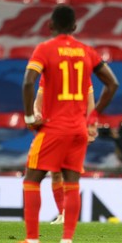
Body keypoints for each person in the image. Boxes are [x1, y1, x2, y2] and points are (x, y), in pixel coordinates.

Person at [2, 4, 118, 243]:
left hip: (55, 127)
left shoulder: (45, 49)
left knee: (32, 179)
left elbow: (28, 82)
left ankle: (32, 241)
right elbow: (112, 84)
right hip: (78, 129)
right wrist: (94, 115)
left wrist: (30, 116)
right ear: (75, 27)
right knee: (72, 182)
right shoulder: (87, 52)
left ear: (51, 26)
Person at [33, 78, 96, 225]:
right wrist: (36, 113)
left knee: (70, 173)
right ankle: (62, 213)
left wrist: (90, 126)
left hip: (75, 128)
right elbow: (38, 101)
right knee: (55, 174)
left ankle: (69, 216)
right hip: (52, 128)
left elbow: (90, 103)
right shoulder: (47, 75)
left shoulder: (81, 74)